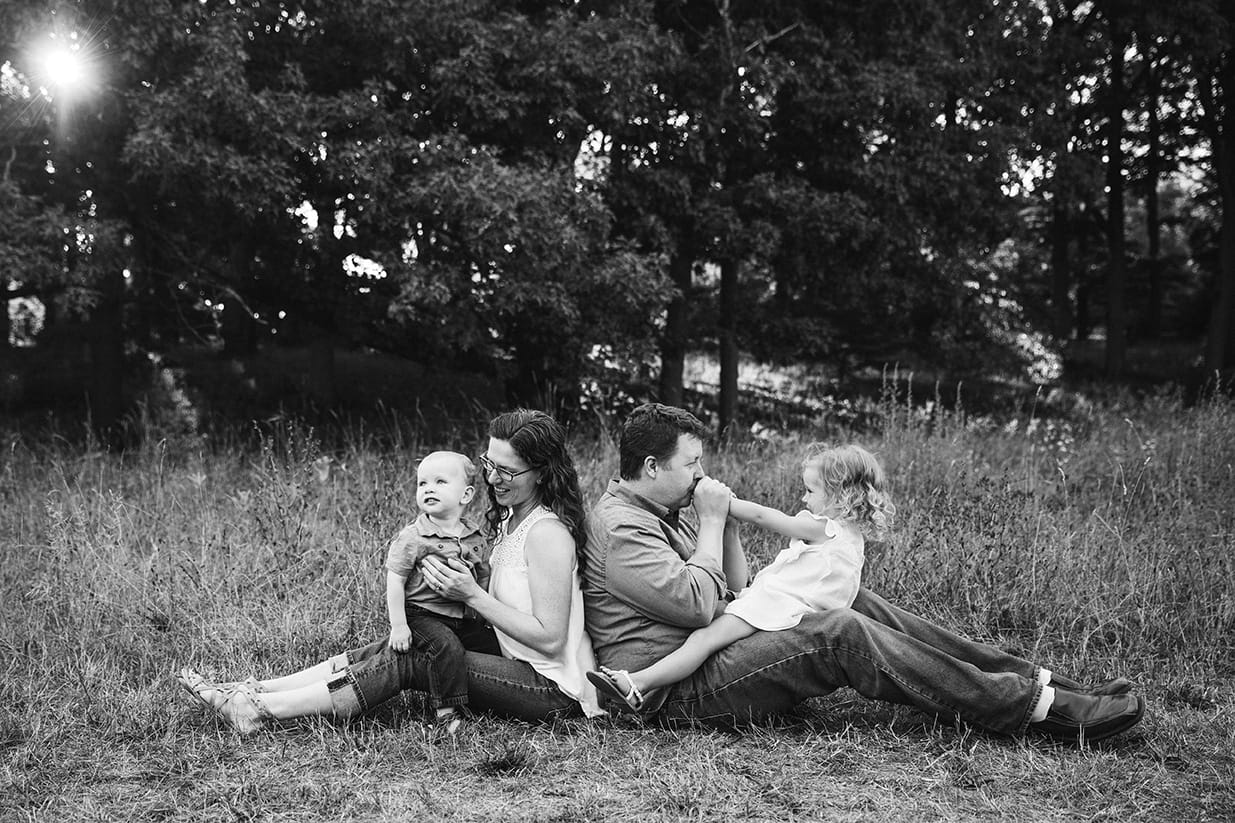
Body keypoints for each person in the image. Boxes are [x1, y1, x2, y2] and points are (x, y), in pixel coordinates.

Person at [581, 402, 1142, 744]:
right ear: (652, 467)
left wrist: (721, 528)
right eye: (692, 465)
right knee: (839, 633)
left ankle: (1036, 681)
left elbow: (730, 591)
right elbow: (698, 607)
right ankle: (1030, 710)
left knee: (856, 603)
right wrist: (711, 519)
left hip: (708, 650)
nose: (702, 475)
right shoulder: (622, 529)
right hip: (673, 688)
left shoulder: (660, 511)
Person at [177, 409, 605, 734]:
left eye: (506, 470)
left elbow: (550, 639)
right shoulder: (512, 519)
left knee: (414, 659)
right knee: (398, 643)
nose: (492, 477)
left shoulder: (547, 533)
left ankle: (259, 711)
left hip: (552, 689)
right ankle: (260, 689)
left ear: (542, 472)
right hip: (512, 658)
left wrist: (472, 596)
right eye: (488, 463)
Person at [588, 442, 892, 710]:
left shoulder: (823, 528)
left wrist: (722, 508)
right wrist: (722, 523)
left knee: (703, 641)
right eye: (691, 462)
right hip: (786, 608)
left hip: (778, 606)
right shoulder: (852, 535)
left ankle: (638, 683)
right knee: (863, 611)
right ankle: (939, 657)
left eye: (810, 491)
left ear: (841, 497)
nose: (803, 499)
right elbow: (723, 593)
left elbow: (763, 519)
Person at [384, 450, 490, 732]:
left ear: (465, 495)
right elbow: (394, 581)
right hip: (422, 615)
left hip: (463, 615)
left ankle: (483, 697)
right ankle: (446, 713)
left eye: (440, 482)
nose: (428, 488)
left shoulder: (474, 535)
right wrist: (399, 625)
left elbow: (483, 577)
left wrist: (484, 614)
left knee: (491, 645)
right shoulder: (413, 536)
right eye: (422, 484)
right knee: (446, 646)